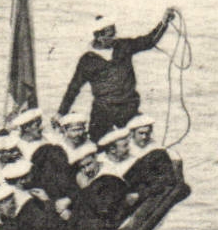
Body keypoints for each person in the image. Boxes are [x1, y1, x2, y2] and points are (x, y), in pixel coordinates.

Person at [58, 9, 179, 143]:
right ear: (99, 36)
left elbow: (148, 41)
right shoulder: (87, 60)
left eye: (114, 33)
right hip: (103, 110)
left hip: (128, 107)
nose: (114, 37)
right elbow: (74, 88)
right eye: (110, 35)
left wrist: (164, 22)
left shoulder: (123, 46)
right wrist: (61, 113)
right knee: (96, 143)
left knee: (140, 141)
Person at [122, 114, 179, 199]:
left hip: (146, 185)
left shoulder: (156, 147)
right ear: (132, 133)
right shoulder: (125, 147)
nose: (144, 137)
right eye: (141, 133)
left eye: (147, 133)